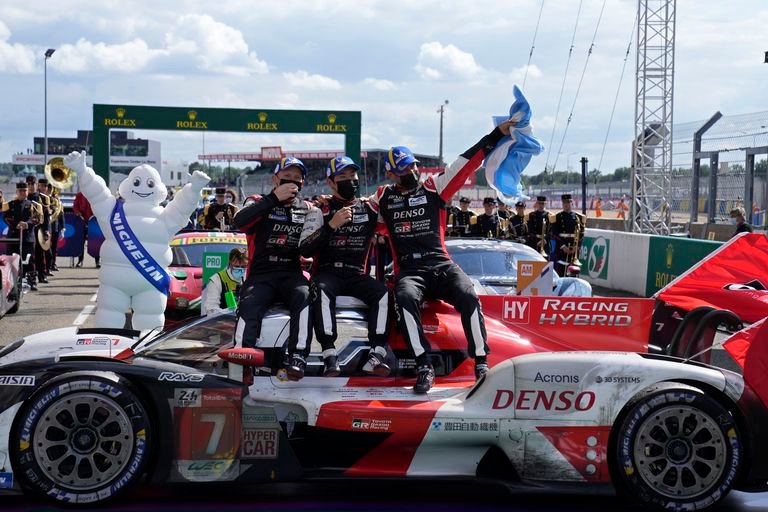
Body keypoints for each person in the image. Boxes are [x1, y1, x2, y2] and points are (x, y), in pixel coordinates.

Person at [369, 118, 517, 393]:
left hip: (441, 264)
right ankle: (423, 365)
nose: (411, 171)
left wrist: (498, 133)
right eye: (404, 170)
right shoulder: (383, 197)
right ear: (391, 174)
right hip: (410, 272)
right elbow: (358, 219)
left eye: (413, 165)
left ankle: (481, 362)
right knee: (403, 298)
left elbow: (467, 162)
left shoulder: (433, 187)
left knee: (469, 294)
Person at [299, 156, 391, 377]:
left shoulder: (369, 208)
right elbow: (305, 249)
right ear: (331, 182)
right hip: (328, 272)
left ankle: (376, 354)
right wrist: (331, 226)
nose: (350, 180)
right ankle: (329, 354)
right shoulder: (319, 209)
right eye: (343, 177)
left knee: (384, 294)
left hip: (356, 273)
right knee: (320, 290)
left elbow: (392, 224)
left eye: (353, 176)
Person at [232, 156, 313, 381]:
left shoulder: (308, 208)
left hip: (291, 273)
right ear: (275, 178)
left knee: (305, 295)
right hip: (261, 274)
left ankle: (298, 357)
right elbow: (239, 222)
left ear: (303, 183)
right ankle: (243, 360)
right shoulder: (257, 200)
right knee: (249, 304)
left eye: (298, 178)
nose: (292, 181)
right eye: (287, 176)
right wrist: (273, 199)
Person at [4, 182, 40, 290]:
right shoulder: (10, 205)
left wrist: (27, 224)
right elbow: (6, 218)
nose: (23, 193)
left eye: (25, 191)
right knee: (11, 259)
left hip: (28, 237)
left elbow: (36, 218)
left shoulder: (33, 205)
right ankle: (11, 280)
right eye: (20, 191)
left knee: (30, 259)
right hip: (14, 236)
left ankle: (32, 281)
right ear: (16, 192)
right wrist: (16, 225)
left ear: (28, 192)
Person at [203, 247, 248, 316]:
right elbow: (211, 310)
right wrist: (230, 313)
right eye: (236, 266)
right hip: (223, 322)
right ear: (230, 263)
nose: (240, 269)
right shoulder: (217, 279)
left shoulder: (249, 278)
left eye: (243, 266)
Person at [551, 194, 585, 276]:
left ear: (572, 203)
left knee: (573, 271)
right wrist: (563, 246)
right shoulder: (558, 217)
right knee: (561, 271)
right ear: (562, 204)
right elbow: (555, 234)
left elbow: (581, 233)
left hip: (574, 247)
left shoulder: (578, 217)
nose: (566, 204)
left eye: (568, 202)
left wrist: (576, 247)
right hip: (562, 248)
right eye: (564, 202)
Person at [27, 176, 51, 282]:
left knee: (40, 254)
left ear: (36, 185)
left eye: (33, 184)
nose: (31, 186)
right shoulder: (23, 196)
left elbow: (46, 217)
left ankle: (42, 275)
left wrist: (46, 230)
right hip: (27, 230)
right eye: (29, 184)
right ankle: (28, 277)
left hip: (39, 229)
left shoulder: (43, 198)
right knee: (28, 255)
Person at [73, 191, 100, 268]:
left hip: (93, 222)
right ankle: (80, 261)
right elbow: (75, 207)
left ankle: (97, 262)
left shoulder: (96, 194)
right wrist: (77, 212)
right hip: (82, 222)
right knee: (81, 242)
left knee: (96, 242)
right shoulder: (79, 195)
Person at [46, 183, 64, 271]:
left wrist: (63, 227)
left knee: (54, 247)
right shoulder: (44, 199)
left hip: (55, 226)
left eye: (51, 189)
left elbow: (61, 214)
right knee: (47, 247)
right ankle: (47, 265)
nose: (50, 190)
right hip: (46, 227)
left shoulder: (57, 200)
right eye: (48, 188)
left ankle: (53, 264)